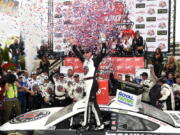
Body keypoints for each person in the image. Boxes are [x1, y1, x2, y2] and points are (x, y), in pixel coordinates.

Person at [72, 42, 107, 130]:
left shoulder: (94, 60)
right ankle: (100, 124)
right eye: (84, 53)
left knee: (87, 104)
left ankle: (86, 124)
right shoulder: (84, 61)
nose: (85, 54)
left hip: (92, 82)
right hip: (87, 83)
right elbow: (76, 52)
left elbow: (103, 53)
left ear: (91, 53)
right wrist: (74, 45)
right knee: (93, 105)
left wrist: (103, 43)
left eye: (87, 52)